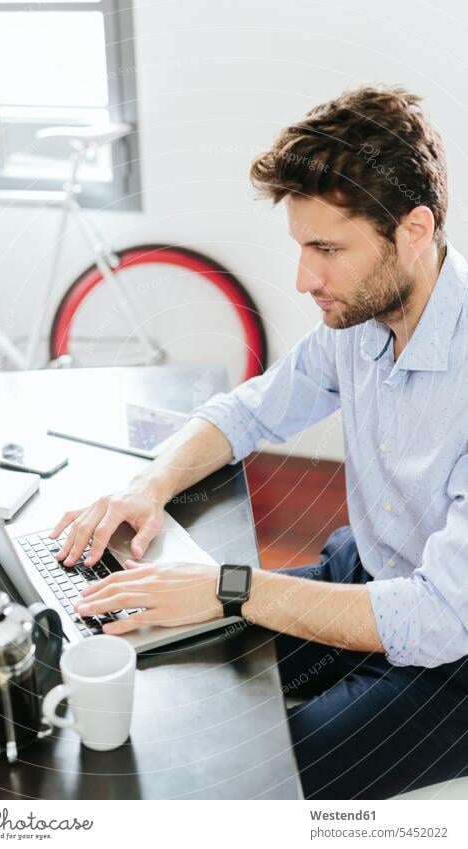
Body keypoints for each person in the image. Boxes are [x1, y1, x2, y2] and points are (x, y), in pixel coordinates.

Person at [50, 85, 468, 799]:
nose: (304, 278)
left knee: (242, 780)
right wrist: (146, 484)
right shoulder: (363, 320)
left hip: (450, 661)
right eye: (300, 246)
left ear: (415, 230)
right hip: (363, 575)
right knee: (178, 680)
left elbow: (438, 617)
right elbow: (250, 411)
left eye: (326, 248)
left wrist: (230, 587)